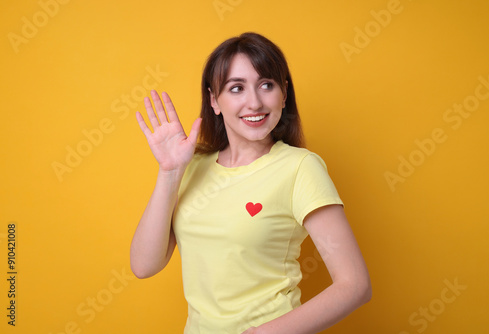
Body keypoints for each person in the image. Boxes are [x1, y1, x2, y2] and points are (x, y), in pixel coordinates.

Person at [130, 32, 371, 334]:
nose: (254, 102)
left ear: (284, 93)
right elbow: (143, 265)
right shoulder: (191, 167)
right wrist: (169, 173)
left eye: (266, 85)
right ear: (214, 100)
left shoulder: (300, 168)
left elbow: (355, 285)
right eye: (237, 88)